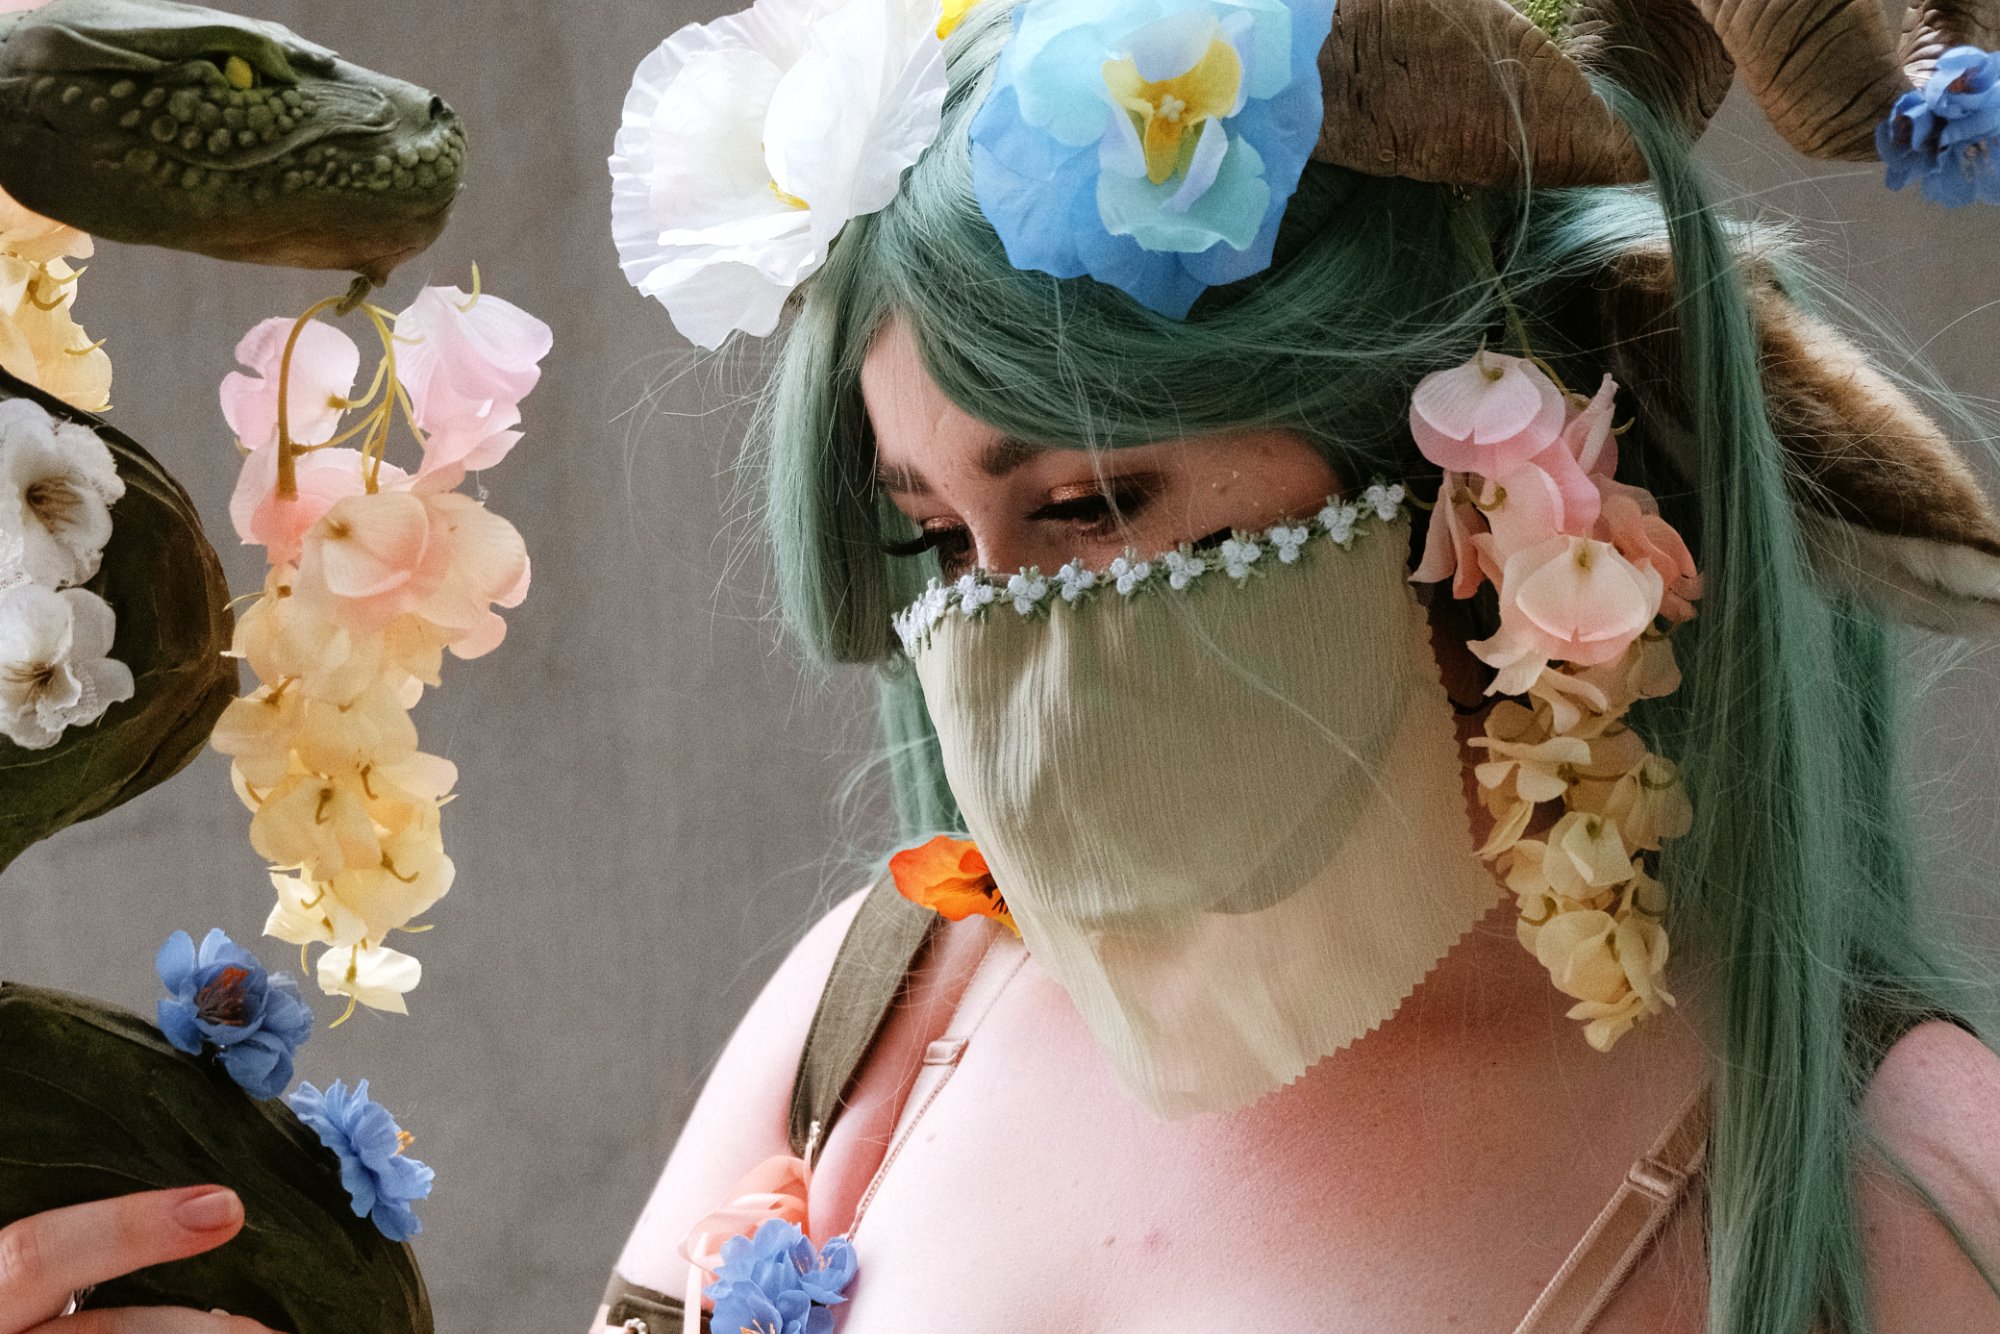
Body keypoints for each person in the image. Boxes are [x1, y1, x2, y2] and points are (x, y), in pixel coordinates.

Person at [590, 0, 2000, 1331]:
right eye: (938, 541)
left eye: (1090, 505)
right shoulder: (872, 1014)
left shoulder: (1891, 1169)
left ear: (1465, 467)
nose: (995, 634)